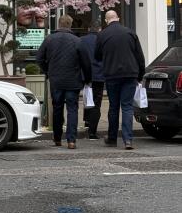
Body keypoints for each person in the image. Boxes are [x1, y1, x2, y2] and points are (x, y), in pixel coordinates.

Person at [36, 14, 92, 149]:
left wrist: (48, 71)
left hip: (56, 80)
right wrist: (87, 79)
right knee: (72, 109)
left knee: (57, 108)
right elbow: (86, 62)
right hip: (73, 80)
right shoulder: (77, 41)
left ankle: (57, 138)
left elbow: (39, 58)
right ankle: (71, 140)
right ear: (70, 25)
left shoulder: (49, 39)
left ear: (59, 24)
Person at [94, 9, 145, 150]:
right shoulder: (130, 33)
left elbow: (97, 56)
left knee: (114, 107)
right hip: (130, 74)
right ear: (118, 18)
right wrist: (140, 75)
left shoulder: (102, 35)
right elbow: (139, 56)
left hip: (112, 74)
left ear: (106, 20)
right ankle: (128, 140)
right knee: (127, 107)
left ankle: (112, 138)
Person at [80, 23, 105, 140]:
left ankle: (87, 122)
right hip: (98, 75)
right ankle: (92, 132)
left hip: (83, 75)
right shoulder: (102, 40)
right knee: (96, 103)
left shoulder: (81, 40)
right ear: (100, 30)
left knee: (87, 98)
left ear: (89, 29)